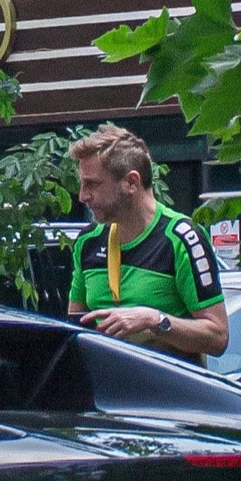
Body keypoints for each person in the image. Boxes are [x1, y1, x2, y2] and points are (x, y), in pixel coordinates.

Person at [64, 126, 229, 359]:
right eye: (82, 184)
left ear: (131, 182)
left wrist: (153, 320)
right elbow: (75, 330)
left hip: (167, 392)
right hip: (109, 393)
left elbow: (218, 337)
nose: (82, 196)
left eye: (93, 184)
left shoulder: (183, 238)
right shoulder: (87, 241)